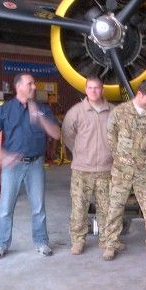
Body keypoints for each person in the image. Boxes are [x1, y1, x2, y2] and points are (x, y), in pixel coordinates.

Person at [0, 72, 60, 259]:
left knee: (38, 207)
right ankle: (1, 245)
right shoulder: (5, 110)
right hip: (13, 166)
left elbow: (57, 134)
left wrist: (39, 118)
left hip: (36, 164)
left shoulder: (42, 109)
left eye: (34, 84)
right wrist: (2, 156)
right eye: (30, 84)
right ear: (19, 87)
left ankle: (41, 242)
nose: (34, 87)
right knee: (6, 208)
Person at [102, 79, 146, 261]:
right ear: (140, 94)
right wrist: (120, 158)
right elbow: (111, 136)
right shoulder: (120, 112)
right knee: (114, 207)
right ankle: (111, 244)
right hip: (121, 169)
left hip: (145, 171)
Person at [61, 77, 113, 255]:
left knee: (106, 208)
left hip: (106, 169)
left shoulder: (113, 111)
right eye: (90, 88)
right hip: (82, 169)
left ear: (102, 89)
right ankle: (78, 241)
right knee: (79, 207)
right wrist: (79, 151)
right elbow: (67, 135)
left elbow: (120, 135)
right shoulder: (76, 112)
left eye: (97, 88)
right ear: (85, 90)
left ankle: (106, 240)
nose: (93, 91)